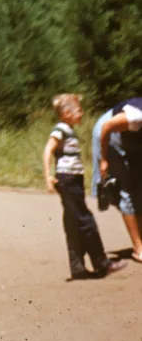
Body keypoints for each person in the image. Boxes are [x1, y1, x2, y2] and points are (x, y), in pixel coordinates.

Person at [43, 93, 125, 279]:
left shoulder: (69, 130)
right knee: (85, 220)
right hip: (67, 180)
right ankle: (102, 263)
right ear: (65, 113)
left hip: (73, 180)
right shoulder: (60, 130)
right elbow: (48, 150)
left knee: (73, 222)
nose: (82, 113)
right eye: (78, 110)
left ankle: (77, 267)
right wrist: (48, 176)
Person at [95, 95, 142, 263]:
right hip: (110, 133)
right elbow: (108, 127)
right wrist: (104, 159)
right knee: (127, 189)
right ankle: (138, 249)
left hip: (132, 138)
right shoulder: (137, 116)